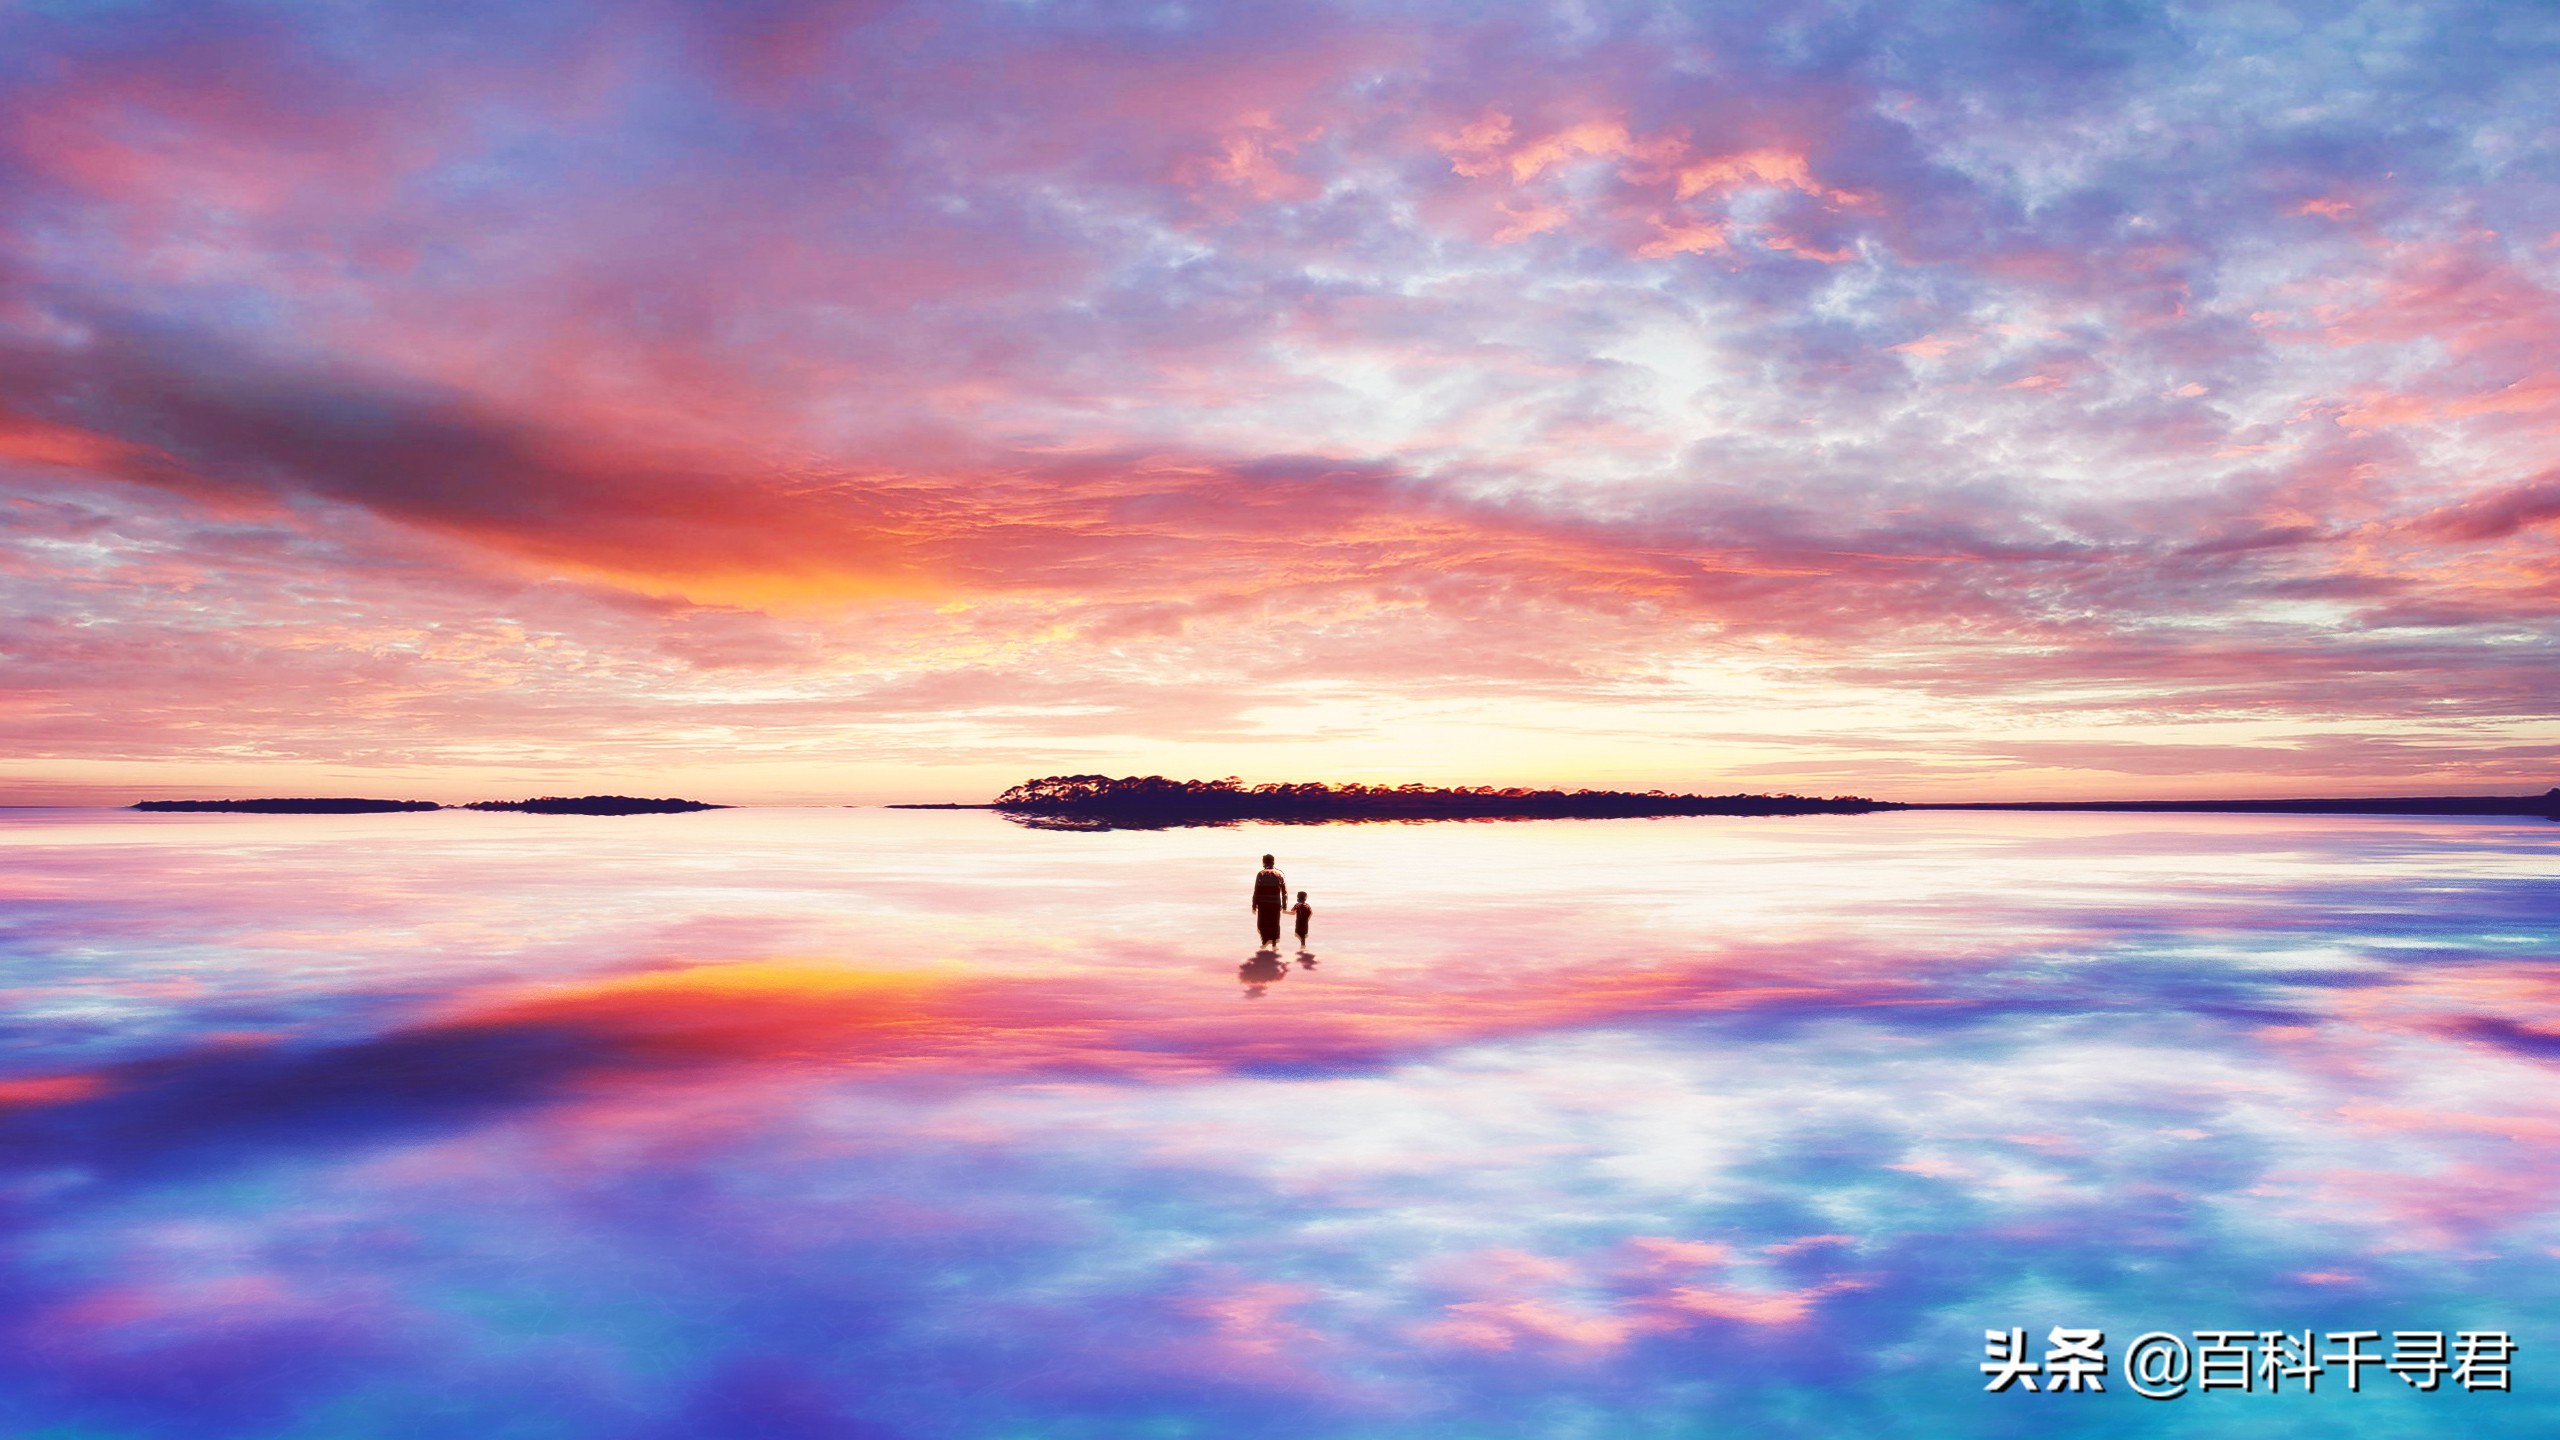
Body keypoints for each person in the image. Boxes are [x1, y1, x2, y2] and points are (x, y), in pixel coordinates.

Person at [1251, 853, 1287, 947]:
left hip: (1263, 904)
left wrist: (1254, 904)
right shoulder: (1280, 874)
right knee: (1274, 922)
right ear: (1273, 862)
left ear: (1264, 862)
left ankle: (1264, 940)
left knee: (1262, 922)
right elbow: (1284, 892)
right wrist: (1284, 904)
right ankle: (1274, 943)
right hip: (1275, 903)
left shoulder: (1261, 874)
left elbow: (1256, 890)